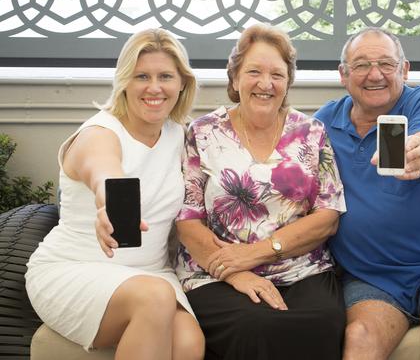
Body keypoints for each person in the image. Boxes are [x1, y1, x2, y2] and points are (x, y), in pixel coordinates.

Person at [25, 28, 204, 359]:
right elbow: (104, 172)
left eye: (165, 76)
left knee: (189, 343)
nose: (154, 87)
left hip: (151, 272)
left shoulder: (180, 135)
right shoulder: (99, 133)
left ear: (182, 83)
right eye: (141, 76)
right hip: (76, 268)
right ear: (124, 81)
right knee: (155, 297)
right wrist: (109, 205)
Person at [174, 23, 347, 360]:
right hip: (216, 273)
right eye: (254, 71)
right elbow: (187, 220)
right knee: (255, 323)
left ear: (288, 82)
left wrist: (262, 252)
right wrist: (236, 272)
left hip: (302, 268)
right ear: (235, 78)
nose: (266, 84)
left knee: (322, 320)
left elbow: (328, 217)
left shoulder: (311, 133)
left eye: (277, 75)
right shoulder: (204, 132)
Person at [313, 27, 420, 360]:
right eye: (361, 65)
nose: (374, 74)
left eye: (386, 64)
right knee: (360, 336)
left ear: (404, 70)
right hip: (370, 278)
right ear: (343, 75)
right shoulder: (323, 124)